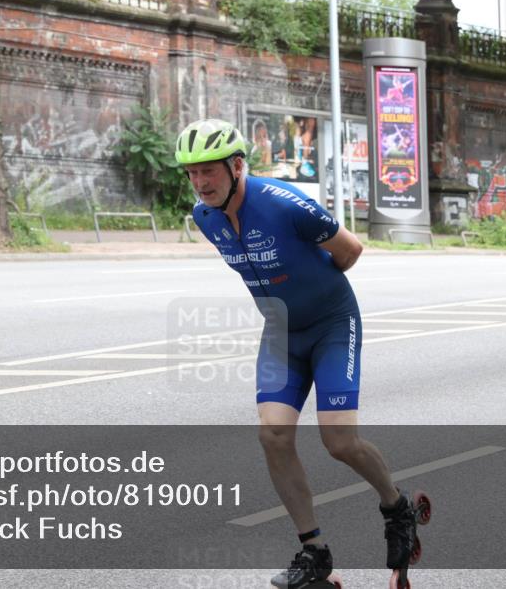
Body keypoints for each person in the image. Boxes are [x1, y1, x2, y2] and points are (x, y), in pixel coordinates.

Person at [176, 118, 422, 589]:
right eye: (191, 174)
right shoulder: (204, 218)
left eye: (209, 171)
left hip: (332, 324)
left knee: (340, 443)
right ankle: (314, 551)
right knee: (273, 435)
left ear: (236, 165)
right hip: (281, 332)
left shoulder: (285, 204)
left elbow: (350, 250)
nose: (200, 183)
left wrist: (318, 291)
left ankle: (397, 506)